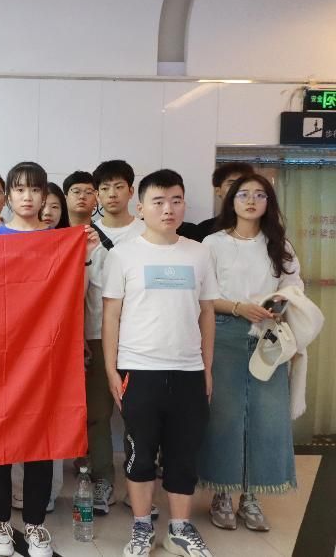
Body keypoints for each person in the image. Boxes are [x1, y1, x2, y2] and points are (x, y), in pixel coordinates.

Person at [0, 162, 99, 557]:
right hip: (0, 353)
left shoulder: (59, 240)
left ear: (46, 196)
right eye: (19, 190)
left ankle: (34, 523)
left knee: (41, 437)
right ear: (8, 196)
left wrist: (83, 256)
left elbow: (74, 296)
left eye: (35, 190)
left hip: (46, 354)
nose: (28, 197)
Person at [102, 169, 218, 557]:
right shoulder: (123, 254)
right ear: (141, 208)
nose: (169, 209)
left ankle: (180, 530)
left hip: (188, 371)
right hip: (139, 370)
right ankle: (141, 527)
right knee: (140, 453)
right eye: (159, 201)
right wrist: (111, 369)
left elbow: (206, 313)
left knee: (184, 454)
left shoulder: (199, 252)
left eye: (176, 200)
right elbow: (111, 315)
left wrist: (207, 368)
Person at [198, 173, 302, 533]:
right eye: (243, 194)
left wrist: (279, 302)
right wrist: (238, 307)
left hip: (268, 336)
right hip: (224, 332)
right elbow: (204, 295)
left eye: (260, 194)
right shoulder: (213, 243)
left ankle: (251, 497)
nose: (251, 200)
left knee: (265, 418)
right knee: (224, 416)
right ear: (231, 200)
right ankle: (222, 494)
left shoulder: (279, 244)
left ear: (268, 202)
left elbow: (294, 286)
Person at [78, 160, 147, 517]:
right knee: (97, 415)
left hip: (140, 338)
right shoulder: (84, 234)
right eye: (103, 188)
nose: (111, 194)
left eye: (118, 186)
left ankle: (140, 485)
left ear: (131, 191)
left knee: (140, 416)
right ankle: (103, 480)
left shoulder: (146, 232)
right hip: (95, 334)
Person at [194, 162, 254, 242]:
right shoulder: (204, 229)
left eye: (243, 183)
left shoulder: (264, 227)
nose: (238, 188)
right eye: (232, 184)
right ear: (218, 191)